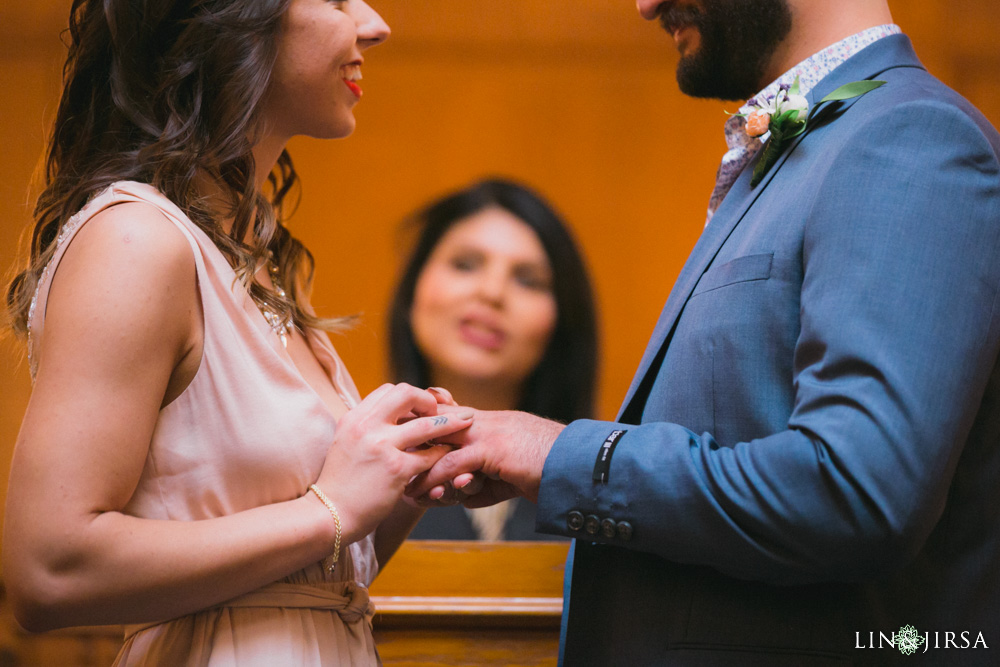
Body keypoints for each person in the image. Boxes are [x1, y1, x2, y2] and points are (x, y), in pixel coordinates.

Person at [408, 0, 1000, 664]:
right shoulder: (814, 140)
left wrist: (561, 458)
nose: (645, 5)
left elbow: (855, 488)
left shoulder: (908, 136)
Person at [2, 1, 473, 664]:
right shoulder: (137, 241)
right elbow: (47, 570)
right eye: (337, 0)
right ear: (237, 18)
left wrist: (395, 485)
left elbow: (290, 583)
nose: (374, 23)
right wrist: (330, 510)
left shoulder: (258, 260)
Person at [388, 178, 598, 541]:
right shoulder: (345, 465)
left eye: (529, 281)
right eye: (466, 264)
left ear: (562, 322)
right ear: (412, 292)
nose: (492, 292)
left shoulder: (598, 487)